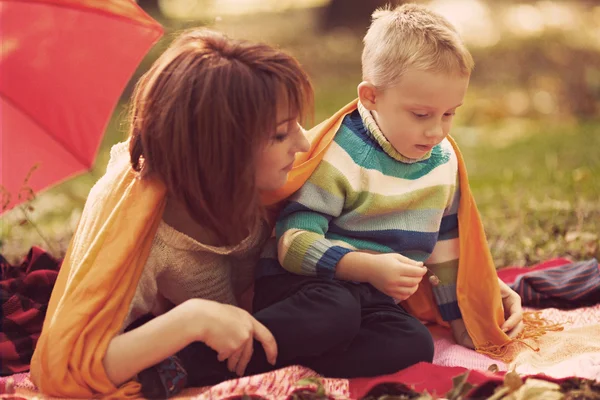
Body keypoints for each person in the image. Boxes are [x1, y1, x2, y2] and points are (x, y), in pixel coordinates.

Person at [30, 28, 313, 398]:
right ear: (219, 153)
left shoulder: (285, 179)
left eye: (296, 126)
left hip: (279, 320)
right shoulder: (142, 225)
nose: (304, 144)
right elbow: (69, 366)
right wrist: (192, 319)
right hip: (219, 349)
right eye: (280, 135)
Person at [252, 2, 525, 380]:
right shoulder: (342, 156)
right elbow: (291, 243)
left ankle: (297, 362)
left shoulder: (442, 161)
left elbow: (446, 244)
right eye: (421, 115)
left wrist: (458, 317)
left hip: (373, 298)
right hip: (306, 289)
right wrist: (362, 266)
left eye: (450, 113)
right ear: (371, 97)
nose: (437, 131)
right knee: (335, 311)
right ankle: (219, 356)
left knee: (413, 343)